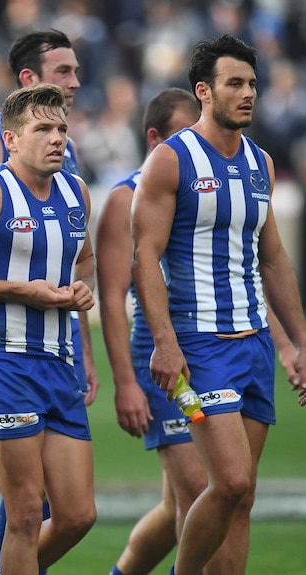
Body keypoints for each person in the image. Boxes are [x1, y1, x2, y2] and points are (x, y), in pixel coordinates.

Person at [131, 34, 306, 575]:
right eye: (235, 83)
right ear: (204, 91)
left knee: (242, 498)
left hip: (252, 343)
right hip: (197, 348)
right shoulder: (171, 160)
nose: (248, 93)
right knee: (229, 482)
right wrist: (164, 342)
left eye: (251, 83)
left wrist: (299, 343)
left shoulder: (260, 164)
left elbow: (273, 259)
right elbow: (145, 256)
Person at [0, 29, 96, 575]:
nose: (57, 138)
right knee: (26, 513)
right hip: (3, 362)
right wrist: (16, 294)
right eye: (43, 129)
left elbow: (84, 264)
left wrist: (84, 300)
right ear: (11, 137)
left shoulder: (75, 191)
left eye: (61, 129)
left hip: (59, 364)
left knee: (78, 514)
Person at [97, 88, 204, 575]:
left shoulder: (208, 185)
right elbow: (114, 299)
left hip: (212, 348)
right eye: (185, 135)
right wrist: (126, 382)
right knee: (202, 493)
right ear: (155, 138)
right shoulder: (127, 197)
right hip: (164, 360)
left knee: (175, 507)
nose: (195, 146)